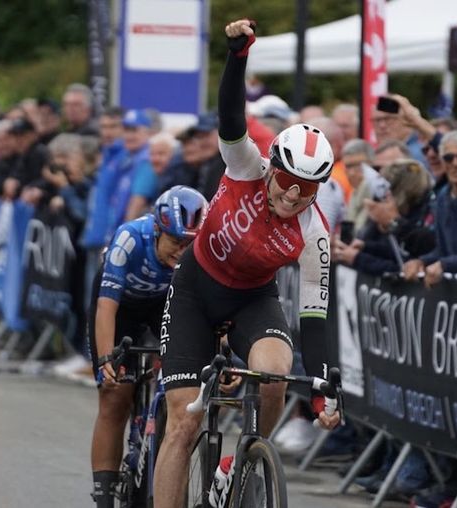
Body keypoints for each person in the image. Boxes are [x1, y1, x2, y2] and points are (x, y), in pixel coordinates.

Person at [153, 19, 341, 508]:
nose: (292, 195)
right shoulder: (246, 166)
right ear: (272, 167)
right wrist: (238, 57)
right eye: (287, 181)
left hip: (252, 300)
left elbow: (314, 317)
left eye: (308, 189)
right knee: (183, 423)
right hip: (196, 289)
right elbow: (231, 116)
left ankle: (240, 459)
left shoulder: (315, 232)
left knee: (275, 372)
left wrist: (322, 386)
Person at [89, 186, 208, 508]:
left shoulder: (201, 252)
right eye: (175, 242)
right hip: (121, 307)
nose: (182, 252)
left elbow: (205, 310)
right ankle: (104, 496)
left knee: (182, 392)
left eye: (189, 244)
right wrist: (105, 360)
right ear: (157, 229)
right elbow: (106, 307)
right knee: (115, 396)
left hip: (163, 306)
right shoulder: (130, 238)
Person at [403, 128, 457, 285]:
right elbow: (443, 250)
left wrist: (445, 264)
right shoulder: (442, 197)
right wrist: (421, 261)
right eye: (448, 158)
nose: (455, 163)